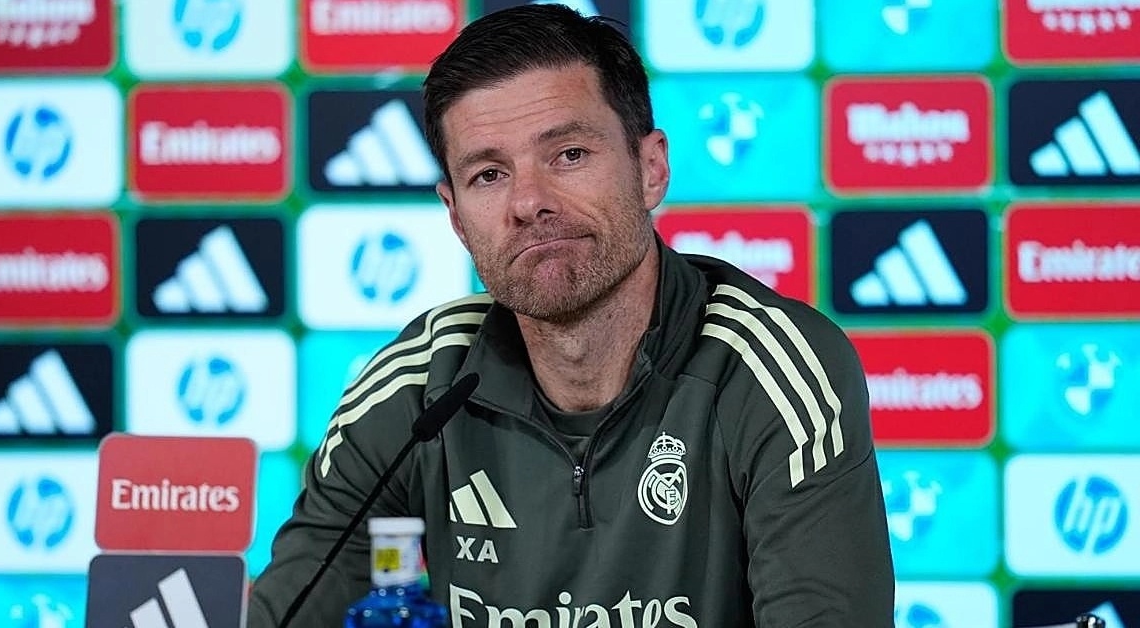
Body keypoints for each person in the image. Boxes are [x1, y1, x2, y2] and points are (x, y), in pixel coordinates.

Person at [248, 4, 895, 626]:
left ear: (651, 169)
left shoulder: (772, 370)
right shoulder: (418, 385)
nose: (529, 202)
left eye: (569, 155)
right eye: (489, 175)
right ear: (456, 217)